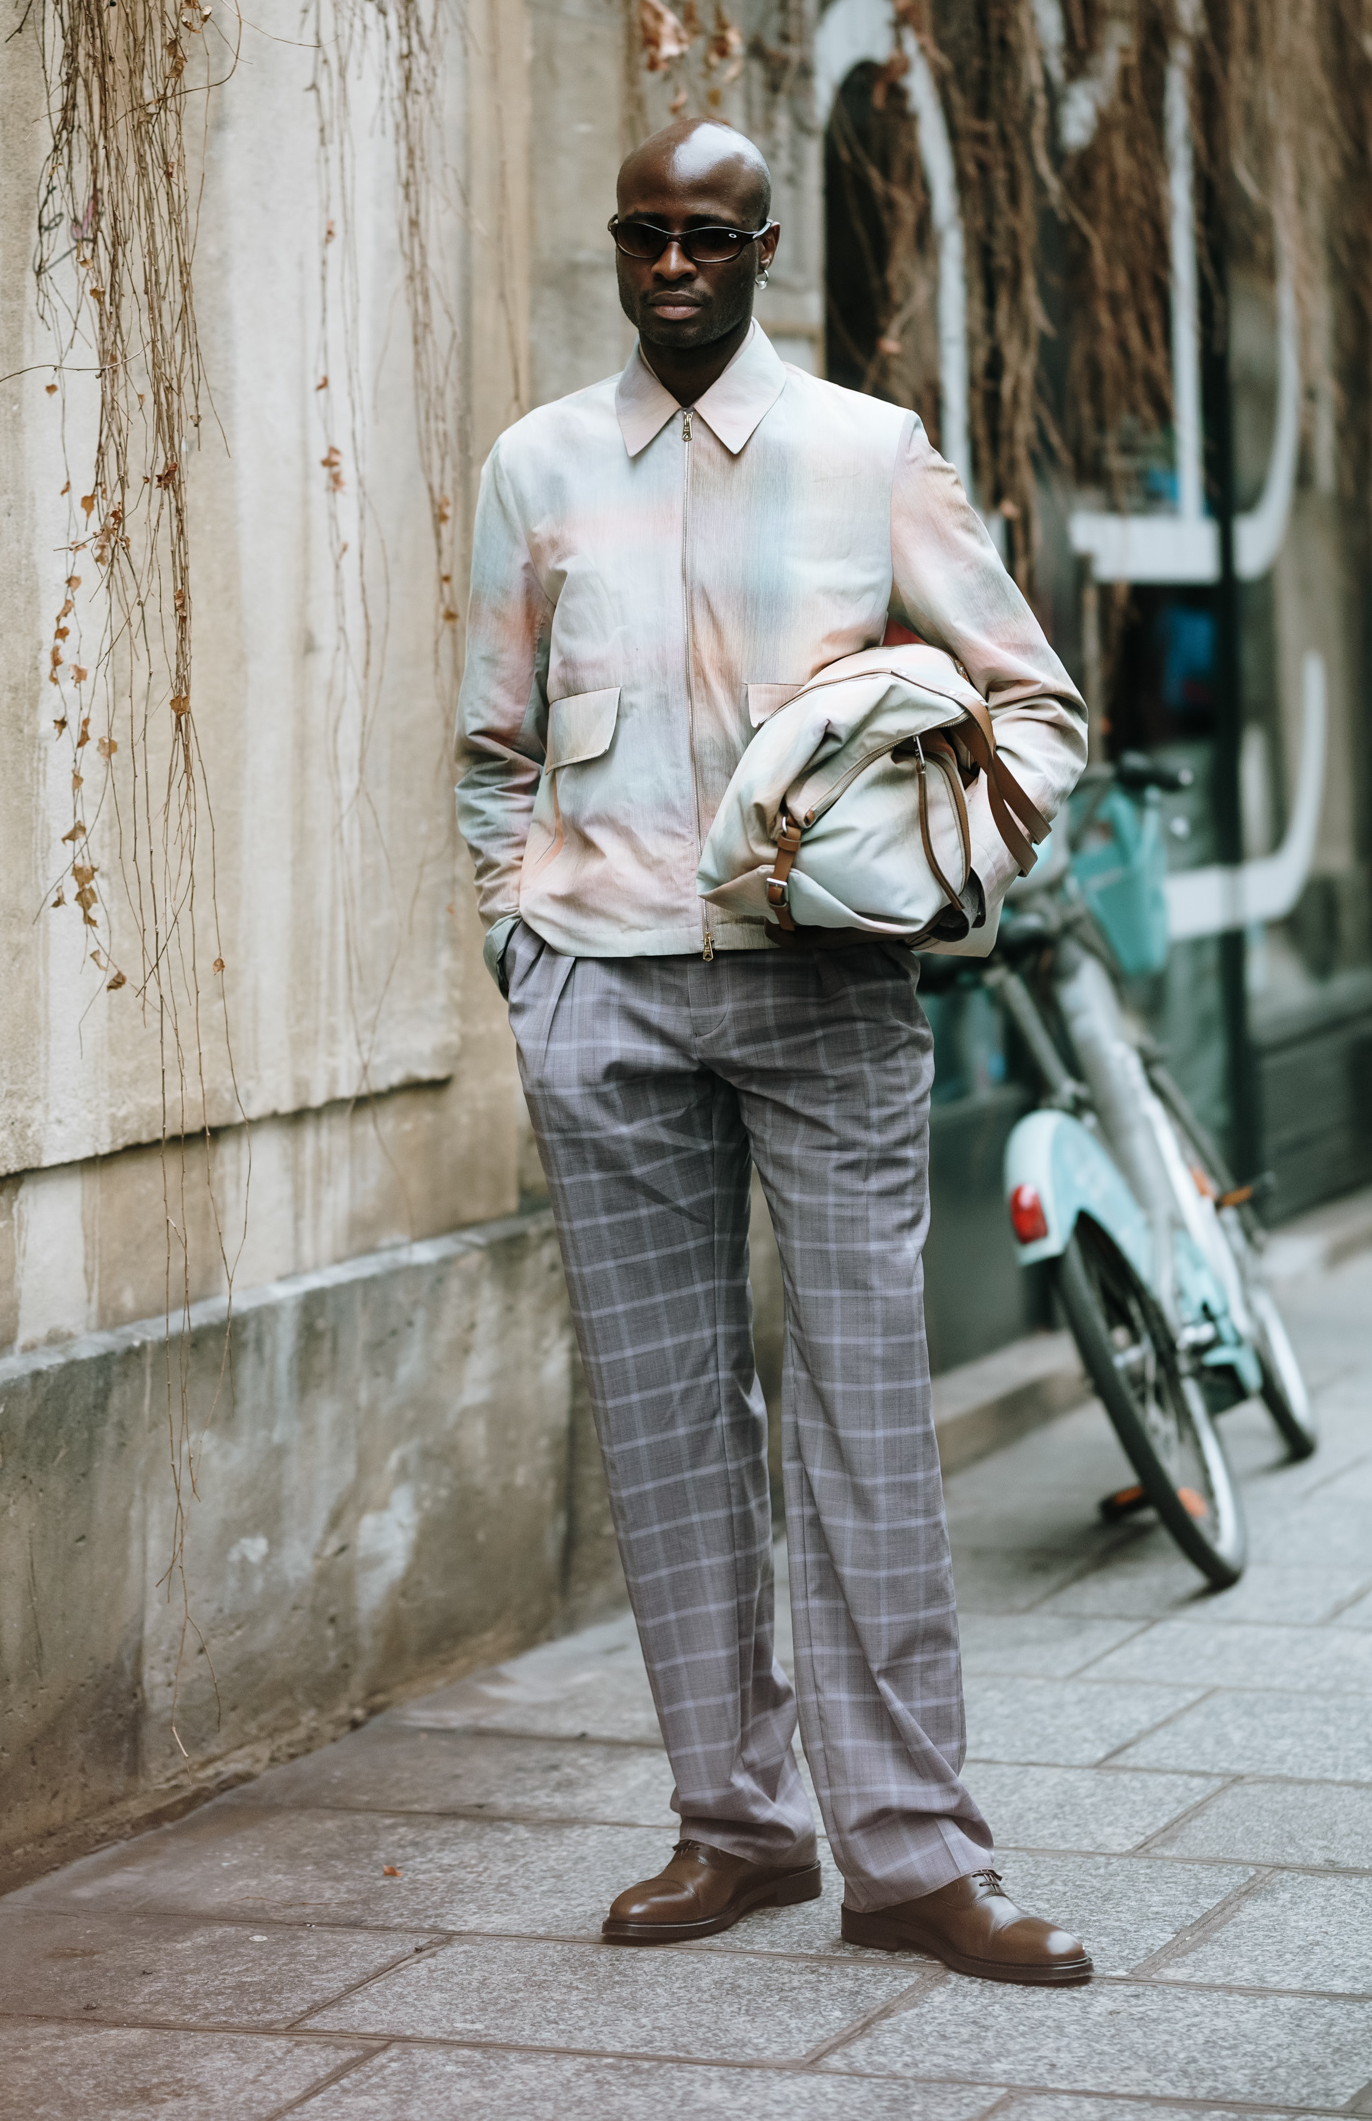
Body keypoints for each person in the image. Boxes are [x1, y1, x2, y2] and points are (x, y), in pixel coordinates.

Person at [453, 119, 1092, 1986]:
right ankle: (735, 1831)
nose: (672, 264)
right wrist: (525, 949)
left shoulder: (866, 454)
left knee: (867, 1417)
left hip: (826, 997)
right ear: (617, 245)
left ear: (762, 248)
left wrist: (965, 845)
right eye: (642, 233)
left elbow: (1032, 701)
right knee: (665, 1431)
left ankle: (912, 1858)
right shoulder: (537, 468)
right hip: (602, 988)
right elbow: (491, 752)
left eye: (706, 236)